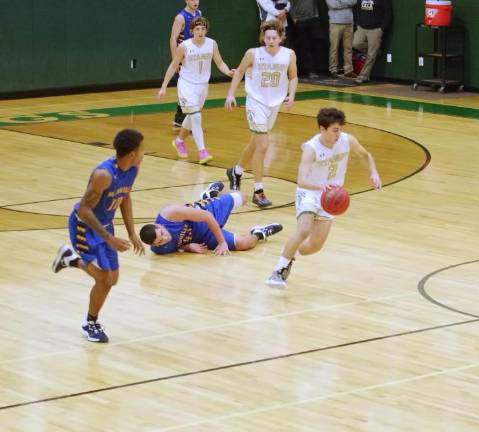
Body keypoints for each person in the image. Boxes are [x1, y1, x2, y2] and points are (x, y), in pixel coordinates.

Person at [266, 107, 381, 287]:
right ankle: (277, 272)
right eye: (335, 130)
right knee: (304, 230)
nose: (338, 133)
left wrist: (374, 173)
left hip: (330, 198)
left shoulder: (347, 140)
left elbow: (366, 156)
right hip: (310, 193)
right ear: (322, 129)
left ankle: (289, 253)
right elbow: (301, 180)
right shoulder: (311, 149)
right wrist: (322, 187)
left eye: (340, 129)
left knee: (315, 246)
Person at [51, 129, 146, 343]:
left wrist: (131, 232)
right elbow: (84, 209)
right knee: (103, 279)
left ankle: (71, 260)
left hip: (105, 227)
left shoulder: (133, 169)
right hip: (84, 226)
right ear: (132, 153)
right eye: (141, 149)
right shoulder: (104, 175)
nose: (143, 153)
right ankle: (90, 323)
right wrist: (108, 237)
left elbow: (125, 197)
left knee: (112, 279)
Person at [225, 19, 298, 208]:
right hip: (255, 101)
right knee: (263, 145)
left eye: (274, 37)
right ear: (263, 38)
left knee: (255, 143)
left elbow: (293, 76)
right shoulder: (253, 53)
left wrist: (291, 95)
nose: (271, 40)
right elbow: (240, 72)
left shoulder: (288, 55)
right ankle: (258, 191)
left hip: (274, 104)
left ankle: (236, 171)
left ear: (281, 38)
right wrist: (231, 94)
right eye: (268, 37)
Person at [159, 16, 234, 165]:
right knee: (196, 116)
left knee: (193, 116)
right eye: (197, 29)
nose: (200, 32)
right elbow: (173, 66)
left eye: (203, 29)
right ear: (192, 30)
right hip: (187, 85)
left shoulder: (212, 44)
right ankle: (202, 151)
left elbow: (219, 62)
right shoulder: (184, 46)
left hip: (203, 86)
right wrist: (163, 86)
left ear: (206, 30)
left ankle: (179, 141)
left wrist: (228, 72)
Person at [139, 182, 283, 255]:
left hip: (208, 212)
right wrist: (188, 247)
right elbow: (176, 245)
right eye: (160, 242)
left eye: (162, 234)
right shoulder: (159, 249)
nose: (164, 239)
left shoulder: (170, 214)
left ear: (159, 226)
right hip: (204, 237)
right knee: (245, 244)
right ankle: (259, 233)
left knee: (243, 197)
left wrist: (222, 242)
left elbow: (207, 216)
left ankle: (212, 195)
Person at [169, 0, 202, 128]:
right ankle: (183, 117)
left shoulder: (199, 13)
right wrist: (175, 61)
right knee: (185, 88)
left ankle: (180, 117)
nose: (196, 1)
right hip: (183, 58)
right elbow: (173, 39)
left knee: (193, 88)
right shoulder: (180, 17)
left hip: (194, 58)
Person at [352, 0, 392, 84]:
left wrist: (382, 28)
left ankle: (363, 76)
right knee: (355, 43)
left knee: (371, 54)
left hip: (376, 29)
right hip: (362, 27)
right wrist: (358, 23)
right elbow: (356, 9)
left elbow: (388, 13)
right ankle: (376, 49)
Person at [289, 0, 322, 79]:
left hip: (313, 19)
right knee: (305, 46)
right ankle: (310, 71)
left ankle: (317, 69)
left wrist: (316, 14)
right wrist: (294, 18)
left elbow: (315, 3)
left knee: (315, 45)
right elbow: (290, 5)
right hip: (300, 21)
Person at [327, 0, 357, 78]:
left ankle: (348, 70)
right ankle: (333, 70)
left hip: (349, 22)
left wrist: (340, 2)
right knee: (334, 48)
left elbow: (354, 2)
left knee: (348, 48)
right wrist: (347, 3)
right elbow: (333, 5)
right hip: (335, 23)